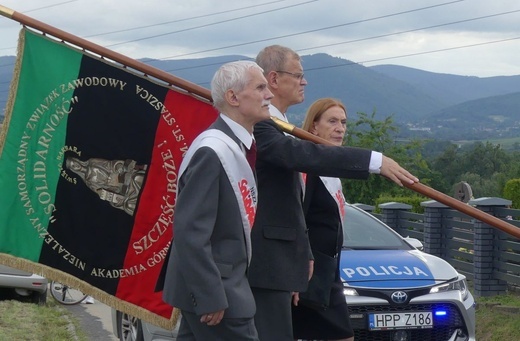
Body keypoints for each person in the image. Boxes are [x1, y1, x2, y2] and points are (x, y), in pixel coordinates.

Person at [248, 45, 419, 341]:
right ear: (275, 79)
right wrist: (375, 161)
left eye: (344, 123)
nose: (305, 82)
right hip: (277, 266)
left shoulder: (280, 127)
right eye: (298, 75)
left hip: (306, 267)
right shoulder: (265, 127)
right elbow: (303, 159)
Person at [161, 60, 273, 340]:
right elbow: (191, 231)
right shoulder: (213, 151)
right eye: (260, 87)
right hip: (220, 294)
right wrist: (209, 295)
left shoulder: (234, 145)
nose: (268, 95)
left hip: (223, 288)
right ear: (233, 97)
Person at [292, 98, 354, 341]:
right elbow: (298, 220)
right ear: (314, 126)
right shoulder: (306, 168)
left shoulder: (331, 169)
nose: (340, 128)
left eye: (343, 122)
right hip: (309, 272)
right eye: (332, 121)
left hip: (330, 271)